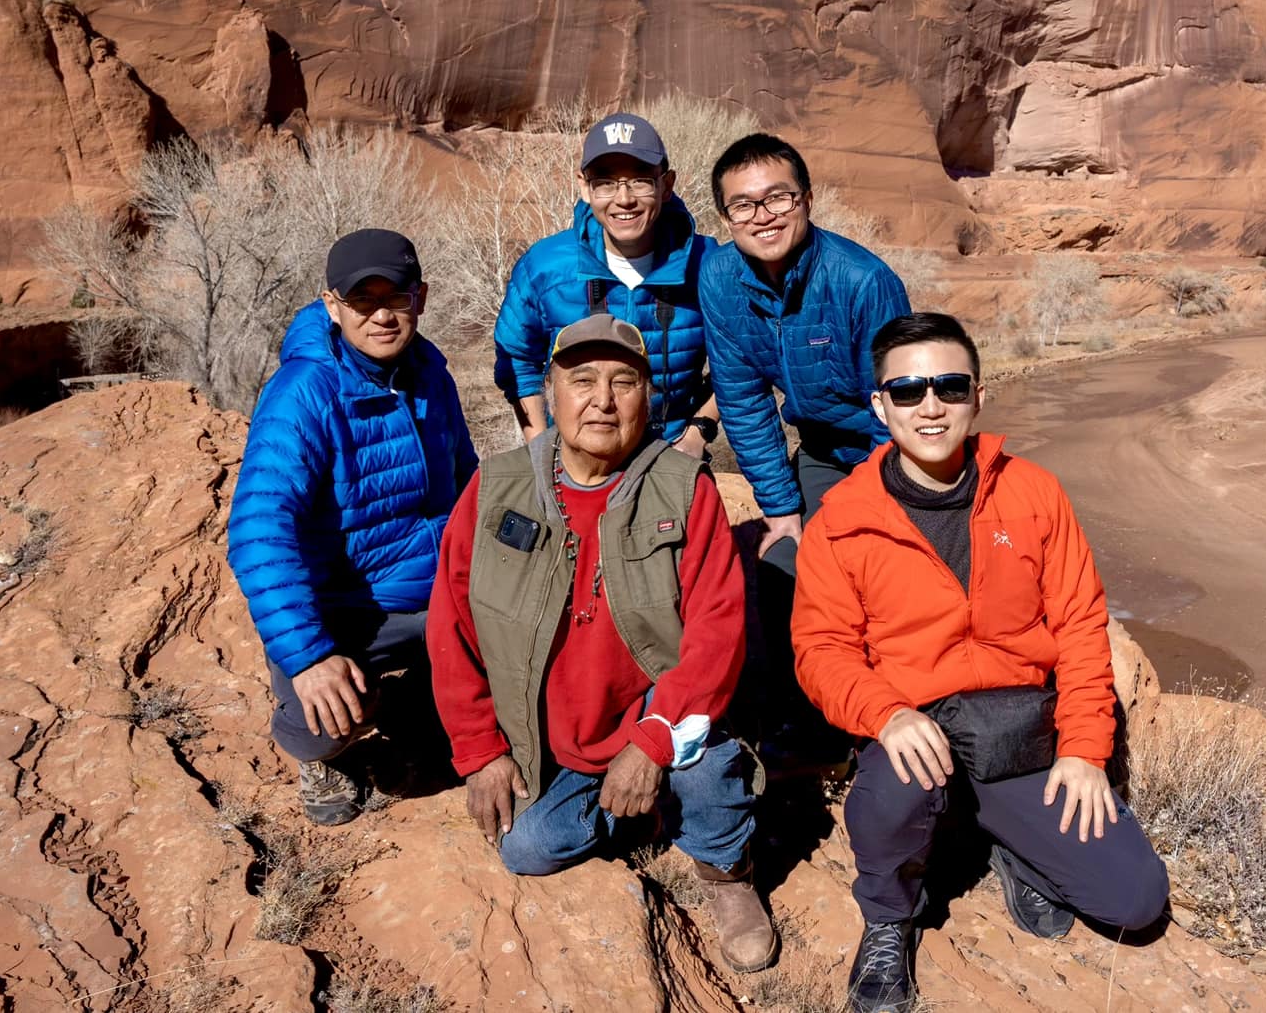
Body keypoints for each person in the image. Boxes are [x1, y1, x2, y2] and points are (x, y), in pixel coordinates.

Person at [792, 313, 1170, 1012]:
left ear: (978, 396)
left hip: (1017, 729)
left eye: (948, 386)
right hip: (917, 727)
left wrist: (1086, 749)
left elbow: (1082, 627)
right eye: (906, 391)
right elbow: (822, 651)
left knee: (1135, 901)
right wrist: (886, 712)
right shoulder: (843, 519)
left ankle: (1009, 842)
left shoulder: (1034, 494)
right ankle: (888, 919)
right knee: (892, 796)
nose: (929, 406)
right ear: (879, 405)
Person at [427, 314, 776, 973]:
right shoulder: (498, 485)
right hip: (554, 740)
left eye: (624, 381)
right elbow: (452, 628)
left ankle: (727, 870)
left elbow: (715, 634)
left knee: (697, 759)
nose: (603, 399)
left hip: (655, 714)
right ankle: (641, 813)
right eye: (582, 379)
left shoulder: (684, 491)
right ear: (551, 393)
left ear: (649, 398)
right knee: (527, 849)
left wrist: (648, 744)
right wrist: (480, 750)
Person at [226, 229, 477, 826]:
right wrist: (310, 656)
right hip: (345, 605)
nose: (383, 314)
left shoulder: (431, 375)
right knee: (330, 719)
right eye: (363, 300)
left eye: (398, 296)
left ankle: (412, 697)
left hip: (432, 589)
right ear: (333, 304)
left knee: (526, 646)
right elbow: (259, 530)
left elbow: (468, 481)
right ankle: (318, 745)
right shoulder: (303, 394)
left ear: (421, 296)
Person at [699, 133, 911, 757]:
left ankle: (894, 707)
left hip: (891, 450)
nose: (762, 216)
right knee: (785, 561)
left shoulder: (862, 281)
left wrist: (866, 506)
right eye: (743, 205)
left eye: (778, 198)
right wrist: (782, 509)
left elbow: (898, 409)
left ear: (807, 199)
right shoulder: (719, 278)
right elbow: (741, 399)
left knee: (870, 564)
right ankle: (805, 721)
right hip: (821, 446)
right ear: (725, 217)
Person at [494, 112, 721, 458]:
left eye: (641, 181)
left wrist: (697, 433)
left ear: (666, 184)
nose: (624, 198)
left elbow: (744, 358)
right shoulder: (545, 267)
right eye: (606, 182)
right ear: (585, 187)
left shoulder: (708, 265)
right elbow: (518, 360)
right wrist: (541, 450)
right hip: (573, 461)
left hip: (671, 455)